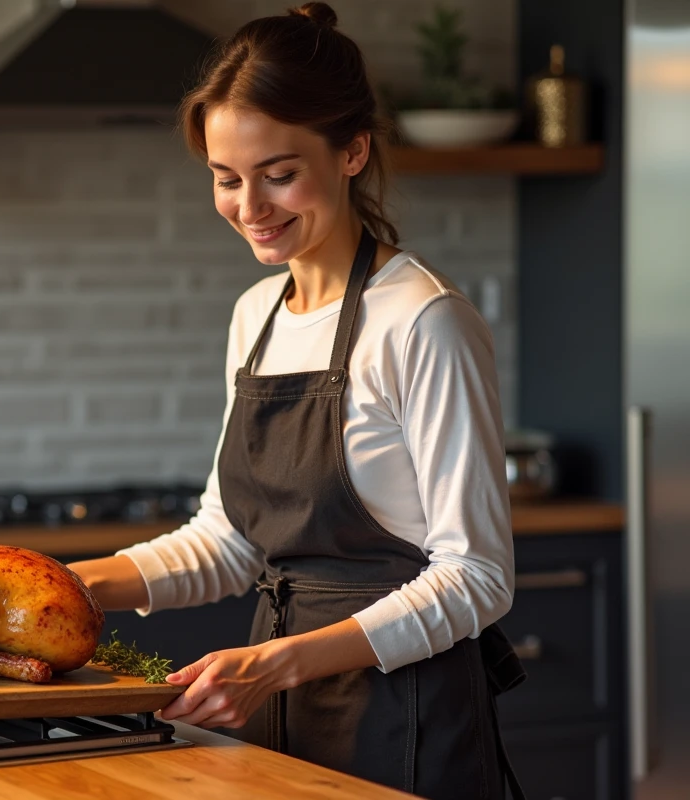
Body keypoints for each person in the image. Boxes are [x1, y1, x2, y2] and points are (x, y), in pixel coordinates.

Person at [66, 4, 527, 798]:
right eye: (226, 178)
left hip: (409, 713)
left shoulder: (423, 319)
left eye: (279, 174)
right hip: (279, 709)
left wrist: (276, 663)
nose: (251, 207)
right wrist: (50, 585)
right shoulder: (257, 315)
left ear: (353, 151)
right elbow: (232, 543)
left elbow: (478, 576)